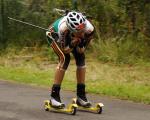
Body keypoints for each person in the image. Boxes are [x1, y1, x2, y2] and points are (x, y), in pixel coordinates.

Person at [46, 11, 94, 108]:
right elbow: (66, 50)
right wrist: (72, 44)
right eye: (78, 32)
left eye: (82, 30)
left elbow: (81, 50)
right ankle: (54, 97)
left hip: (70, 37)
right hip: (53, 34)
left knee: (81, 58)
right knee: (64, 58)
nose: (81, 33)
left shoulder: (89, 29)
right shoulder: (63, 30)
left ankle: (81, 96)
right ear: (71, 30)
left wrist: (80, 43)